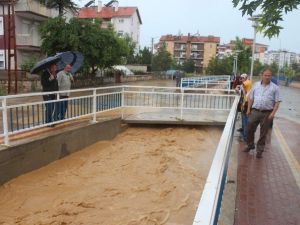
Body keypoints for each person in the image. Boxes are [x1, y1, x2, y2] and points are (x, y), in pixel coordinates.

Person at [244, 68, 281, 158]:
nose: (267, 77)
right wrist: (249, 109)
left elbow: (277, 102)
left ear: (271, 76)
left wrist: (273, 114)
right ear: (262, 75)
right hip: (255, 111)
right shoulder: (256, 85)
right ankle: (250, 145)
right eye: (265, 75)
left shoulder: (275, 88)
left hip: (267, 113)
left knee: (263, 133)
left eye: (269, 75)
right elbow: (251, 98)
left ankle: (259, 151)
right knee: (249, 128)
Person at [237, 73, 252, 141]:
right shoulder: (246, 83)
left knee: (246, 121)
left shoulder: (247, 82)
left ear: (246, 78)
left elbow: (242, 86)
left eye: (243, 78)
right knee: (244, 120)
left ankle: (245, 137)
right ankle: (244, 133)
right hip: (244, 103)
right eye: (241, 78)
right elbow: (241, 90)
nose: (241, 79)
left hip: (246, 103)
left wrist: (238, 86)